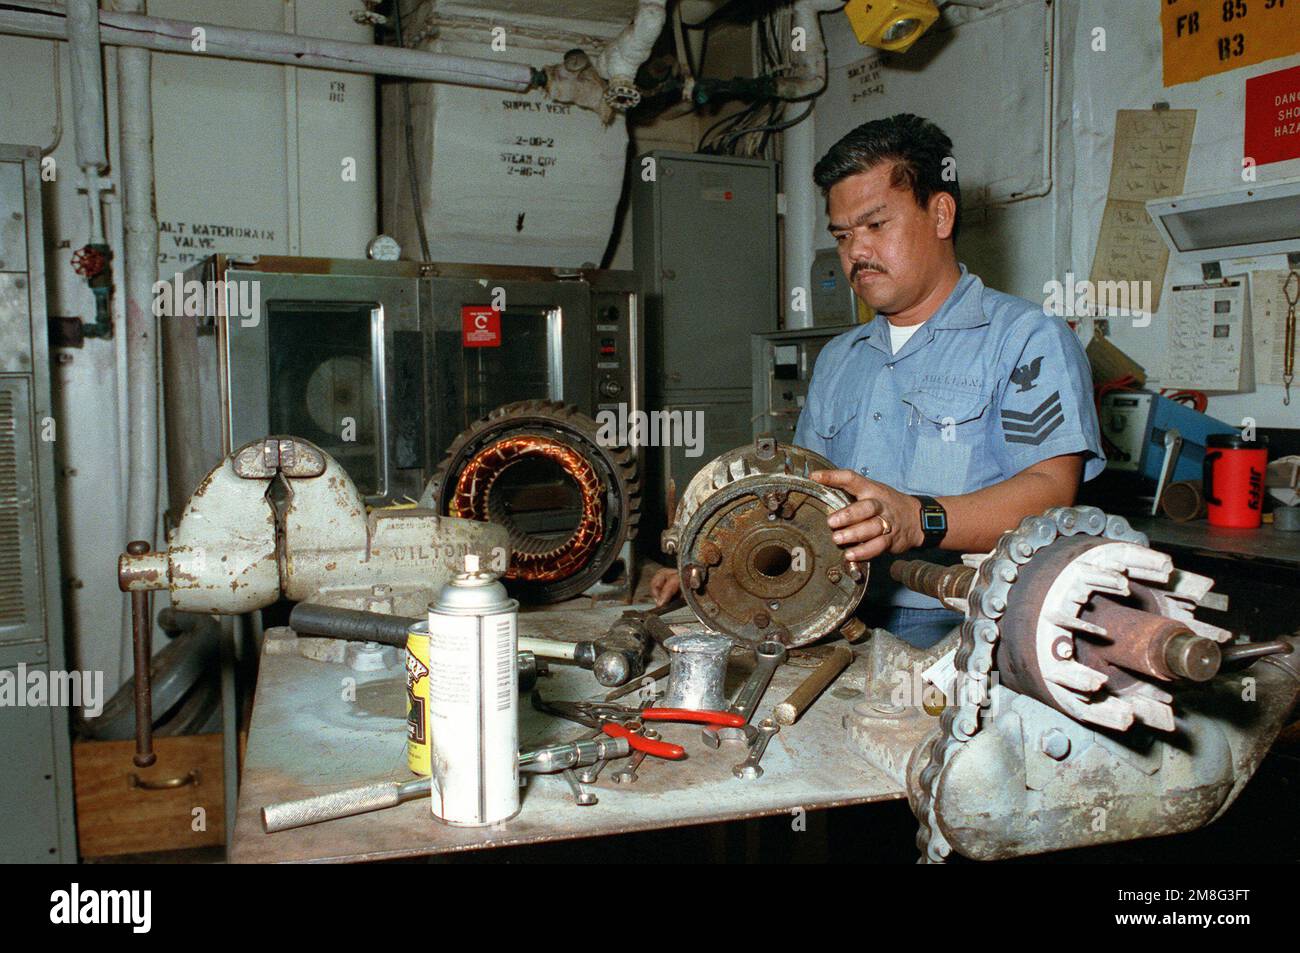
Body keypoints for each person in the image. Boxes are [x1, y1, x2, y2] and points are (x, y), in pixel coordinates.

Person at [652, 113, 1104, 648]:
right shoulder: (840, 358)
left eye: (875, 225)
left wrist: (917, 519)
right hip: (829, 612)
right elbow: (800, 502)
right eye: (843, 235)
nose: (856, 253)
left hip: (966, 621)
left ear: (940, 214)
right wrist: (721, 565)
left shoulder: (1027, 338)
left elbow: (1052, 492)